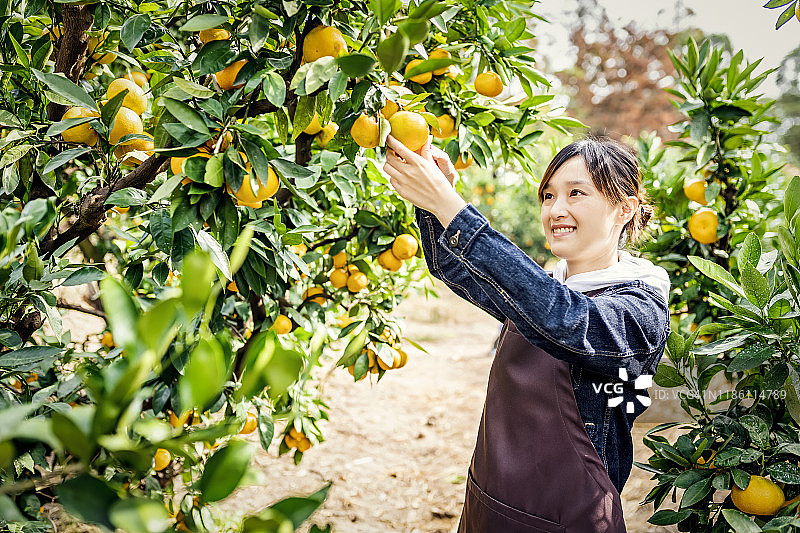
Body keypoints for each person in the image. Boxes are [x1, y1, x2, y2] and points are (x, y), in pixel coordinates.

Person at [383, 135, 671, 532]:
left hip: (567, 521)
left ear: (624, 209)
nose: (556, 209)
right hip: (489, 507)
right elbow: (454, 266)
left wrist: (452, 208)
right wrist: (434, 199)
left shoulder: (640, 310)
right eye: (549, 196)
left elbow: (566, 321)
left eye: (576, 193)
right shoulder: (543, 288)